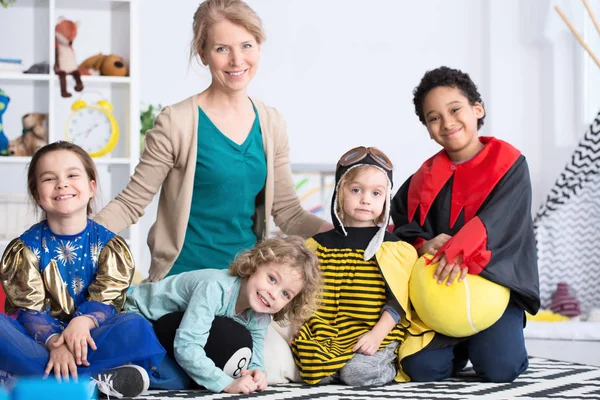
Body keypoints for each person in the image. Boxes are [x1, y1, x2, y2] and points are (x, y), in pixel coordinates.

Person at [94, 0, 331, 281]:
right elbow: (131, 203)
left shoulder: (271, 123)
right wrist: (73, 235)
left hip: (243, 283)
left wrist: (347, 234)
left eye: (246, 45)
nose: (236, 60)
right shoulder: (176, 122)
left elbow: (289, 213)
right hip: (182, 281)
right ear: (203, 54)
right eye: (222, 49)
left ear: (259, 47)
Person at [390, 66, 540, 382]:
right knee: (422, 370)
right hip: (441, 295)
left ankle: (493, 341)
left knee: (501, 369)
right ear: (428, 129)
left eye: (455, 109)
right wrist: (423, 243)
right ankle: (459, 346)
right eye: (434, 118)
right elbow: (400, 221)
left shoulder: (509, 163)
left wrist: (457, 250)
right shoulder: (423, 178)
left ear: (477, 109)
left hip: (494, 290)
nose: (447, 122)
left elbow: (501, 221)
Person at [0, 141, 165, 398]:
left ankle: (37, 380)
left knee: (134, 324)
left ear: (91, 187)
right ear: (36, 195)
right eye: (49, 178)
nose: (62, 184)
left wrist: (82, 322)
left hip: (91, 339)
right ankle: (91, 381)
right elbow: (29, 310)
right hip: (38, 342)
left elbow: (106, 300)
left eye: (72, 175)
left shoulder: (111, 246)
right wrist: (56, 343)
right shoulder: (24, 249)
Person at [125, 236, 322, 394]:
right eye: (272, 279)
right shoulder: (216, 288)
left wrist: (256, 372)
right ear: (255, 265)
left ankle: (132, 368)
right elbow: (186, 346)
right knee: (180, 378)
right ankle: (119, 365)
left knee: (187, 377)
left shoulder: (261, 314)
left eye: (285, 294)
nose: (273, 294)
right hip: (139, 315)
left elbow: (255, 351)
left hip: (169, 329)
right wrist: (225, 383)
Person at [291, 147, 420, 386]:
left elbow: (398, 302)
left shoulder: (394, 249)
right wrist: (299, 323)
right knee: (315, 374)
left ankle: (388, 363)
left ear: (386, 200)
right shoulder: (315, 246)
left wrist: (377, 334)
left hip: (373, 332)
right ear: (340, 192)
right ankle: (335, 364)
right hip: (326, 331)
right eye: (356, 190)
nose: (365, 199)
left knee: (356, 374)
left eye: (376, 193)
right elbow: (304, 292)